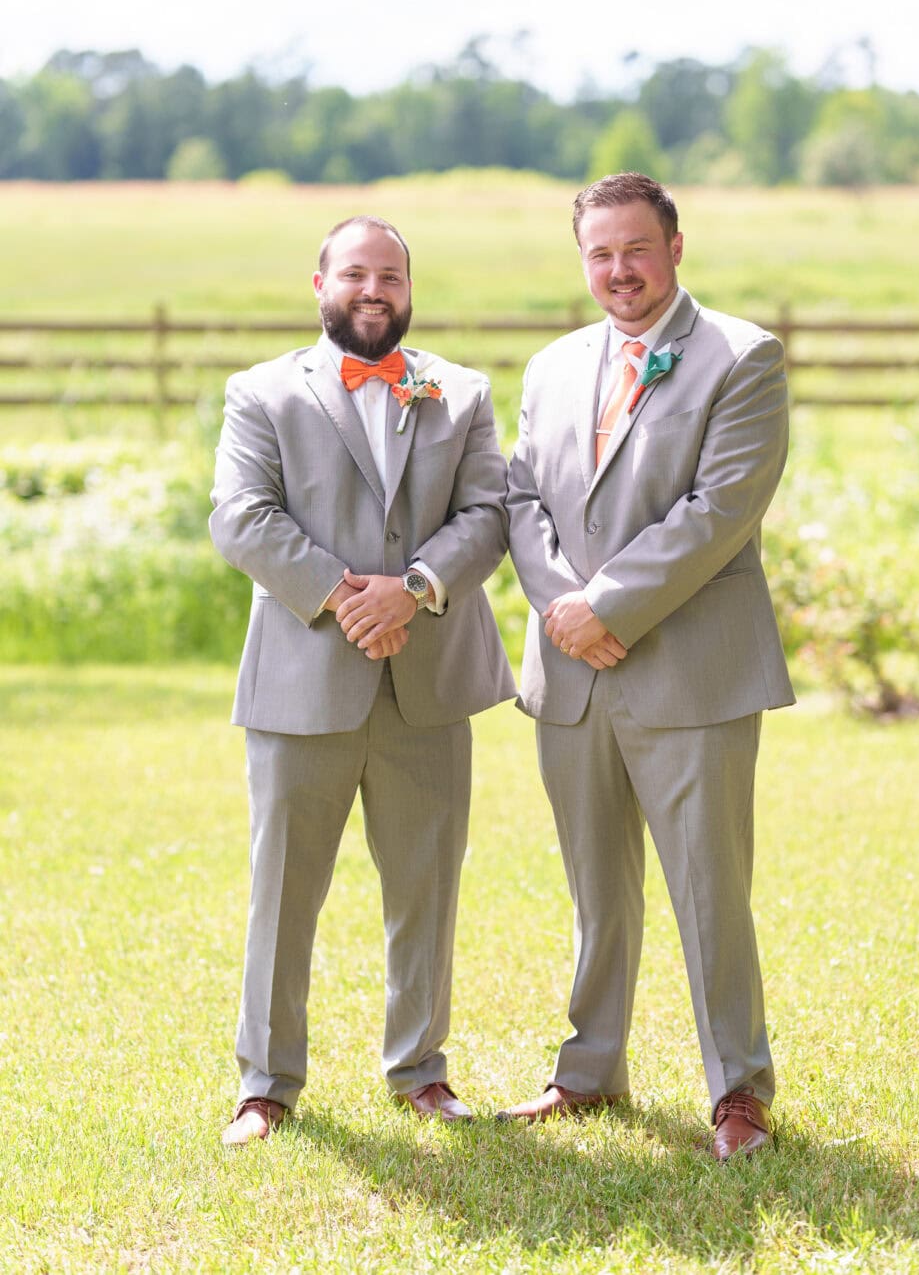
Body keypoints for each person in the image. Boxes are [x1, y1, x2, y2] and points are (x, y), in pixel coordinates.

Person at [501, 173, 794, 1160]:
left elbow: (718, 511)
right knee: (596, 888)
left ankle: (738, 1092)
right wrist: (557, 609)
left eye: (634, 248)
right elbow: (519, 503)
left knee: (708, 888)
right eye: (598, 254)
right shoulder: (548, 367)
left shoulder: (742, 358)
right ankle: (587, 1070)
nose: (617, 270)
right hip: (570, 676)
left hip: (690, 673)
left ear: (674, 246)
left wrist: (605, 607)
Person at [210, 214, 515, 1145]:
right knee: (283, 890)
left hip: (428, 684)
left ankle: (420, 1070)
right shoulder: (261, 392)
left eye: (390, 275)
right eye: (355, 273)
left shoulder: (459, 391)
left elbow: (491, 513)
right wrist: (350, 598)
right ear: (320, 286)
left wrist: (415, 589)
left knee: (425, 886)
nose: (373, 289)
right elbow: (241, 517)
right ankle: (266, 1085)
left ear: (410, 290)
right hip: (303, 682)